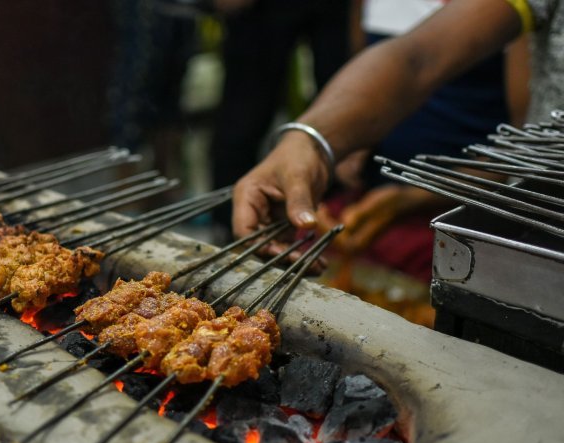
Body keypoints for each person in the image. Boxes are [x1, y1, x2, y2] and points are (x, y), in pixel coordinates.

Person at [231, 0, 559, 256]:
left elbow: (518, 147)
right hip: (383, 197)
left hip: (461, 214)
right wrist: (309, 141)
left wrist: (414, 197)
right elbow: (416, 58)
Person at [210, 0, 355, 237]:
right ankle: (230, 227)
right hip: (259, 12)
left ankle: (329, 230)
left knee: (340, 110)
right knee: (241, 119)